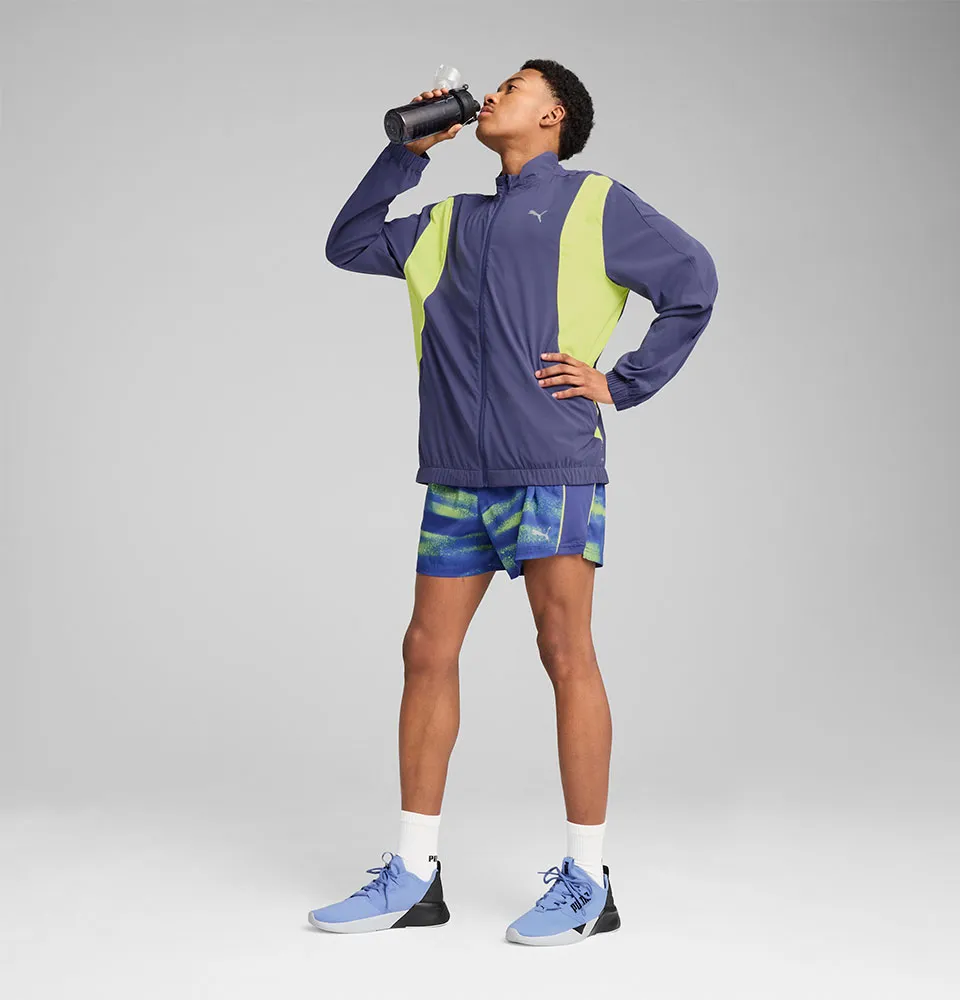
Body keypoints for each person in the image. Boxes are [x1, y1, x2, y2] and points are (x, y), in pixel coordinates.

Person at [308, 59, 718, 946]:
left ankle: (589, 882)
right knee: (425, 651)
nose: (492, 95)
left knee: (565, 651)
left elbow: (694, 281)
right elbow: (348, 242)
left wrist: (623, 383)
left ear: (553, 115)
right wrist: (409, 151)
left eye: (513, 87)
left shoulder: (595, 201)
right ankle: (414, 876)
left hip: (552, 467)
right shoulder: (447, 220)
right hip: (459, 472)